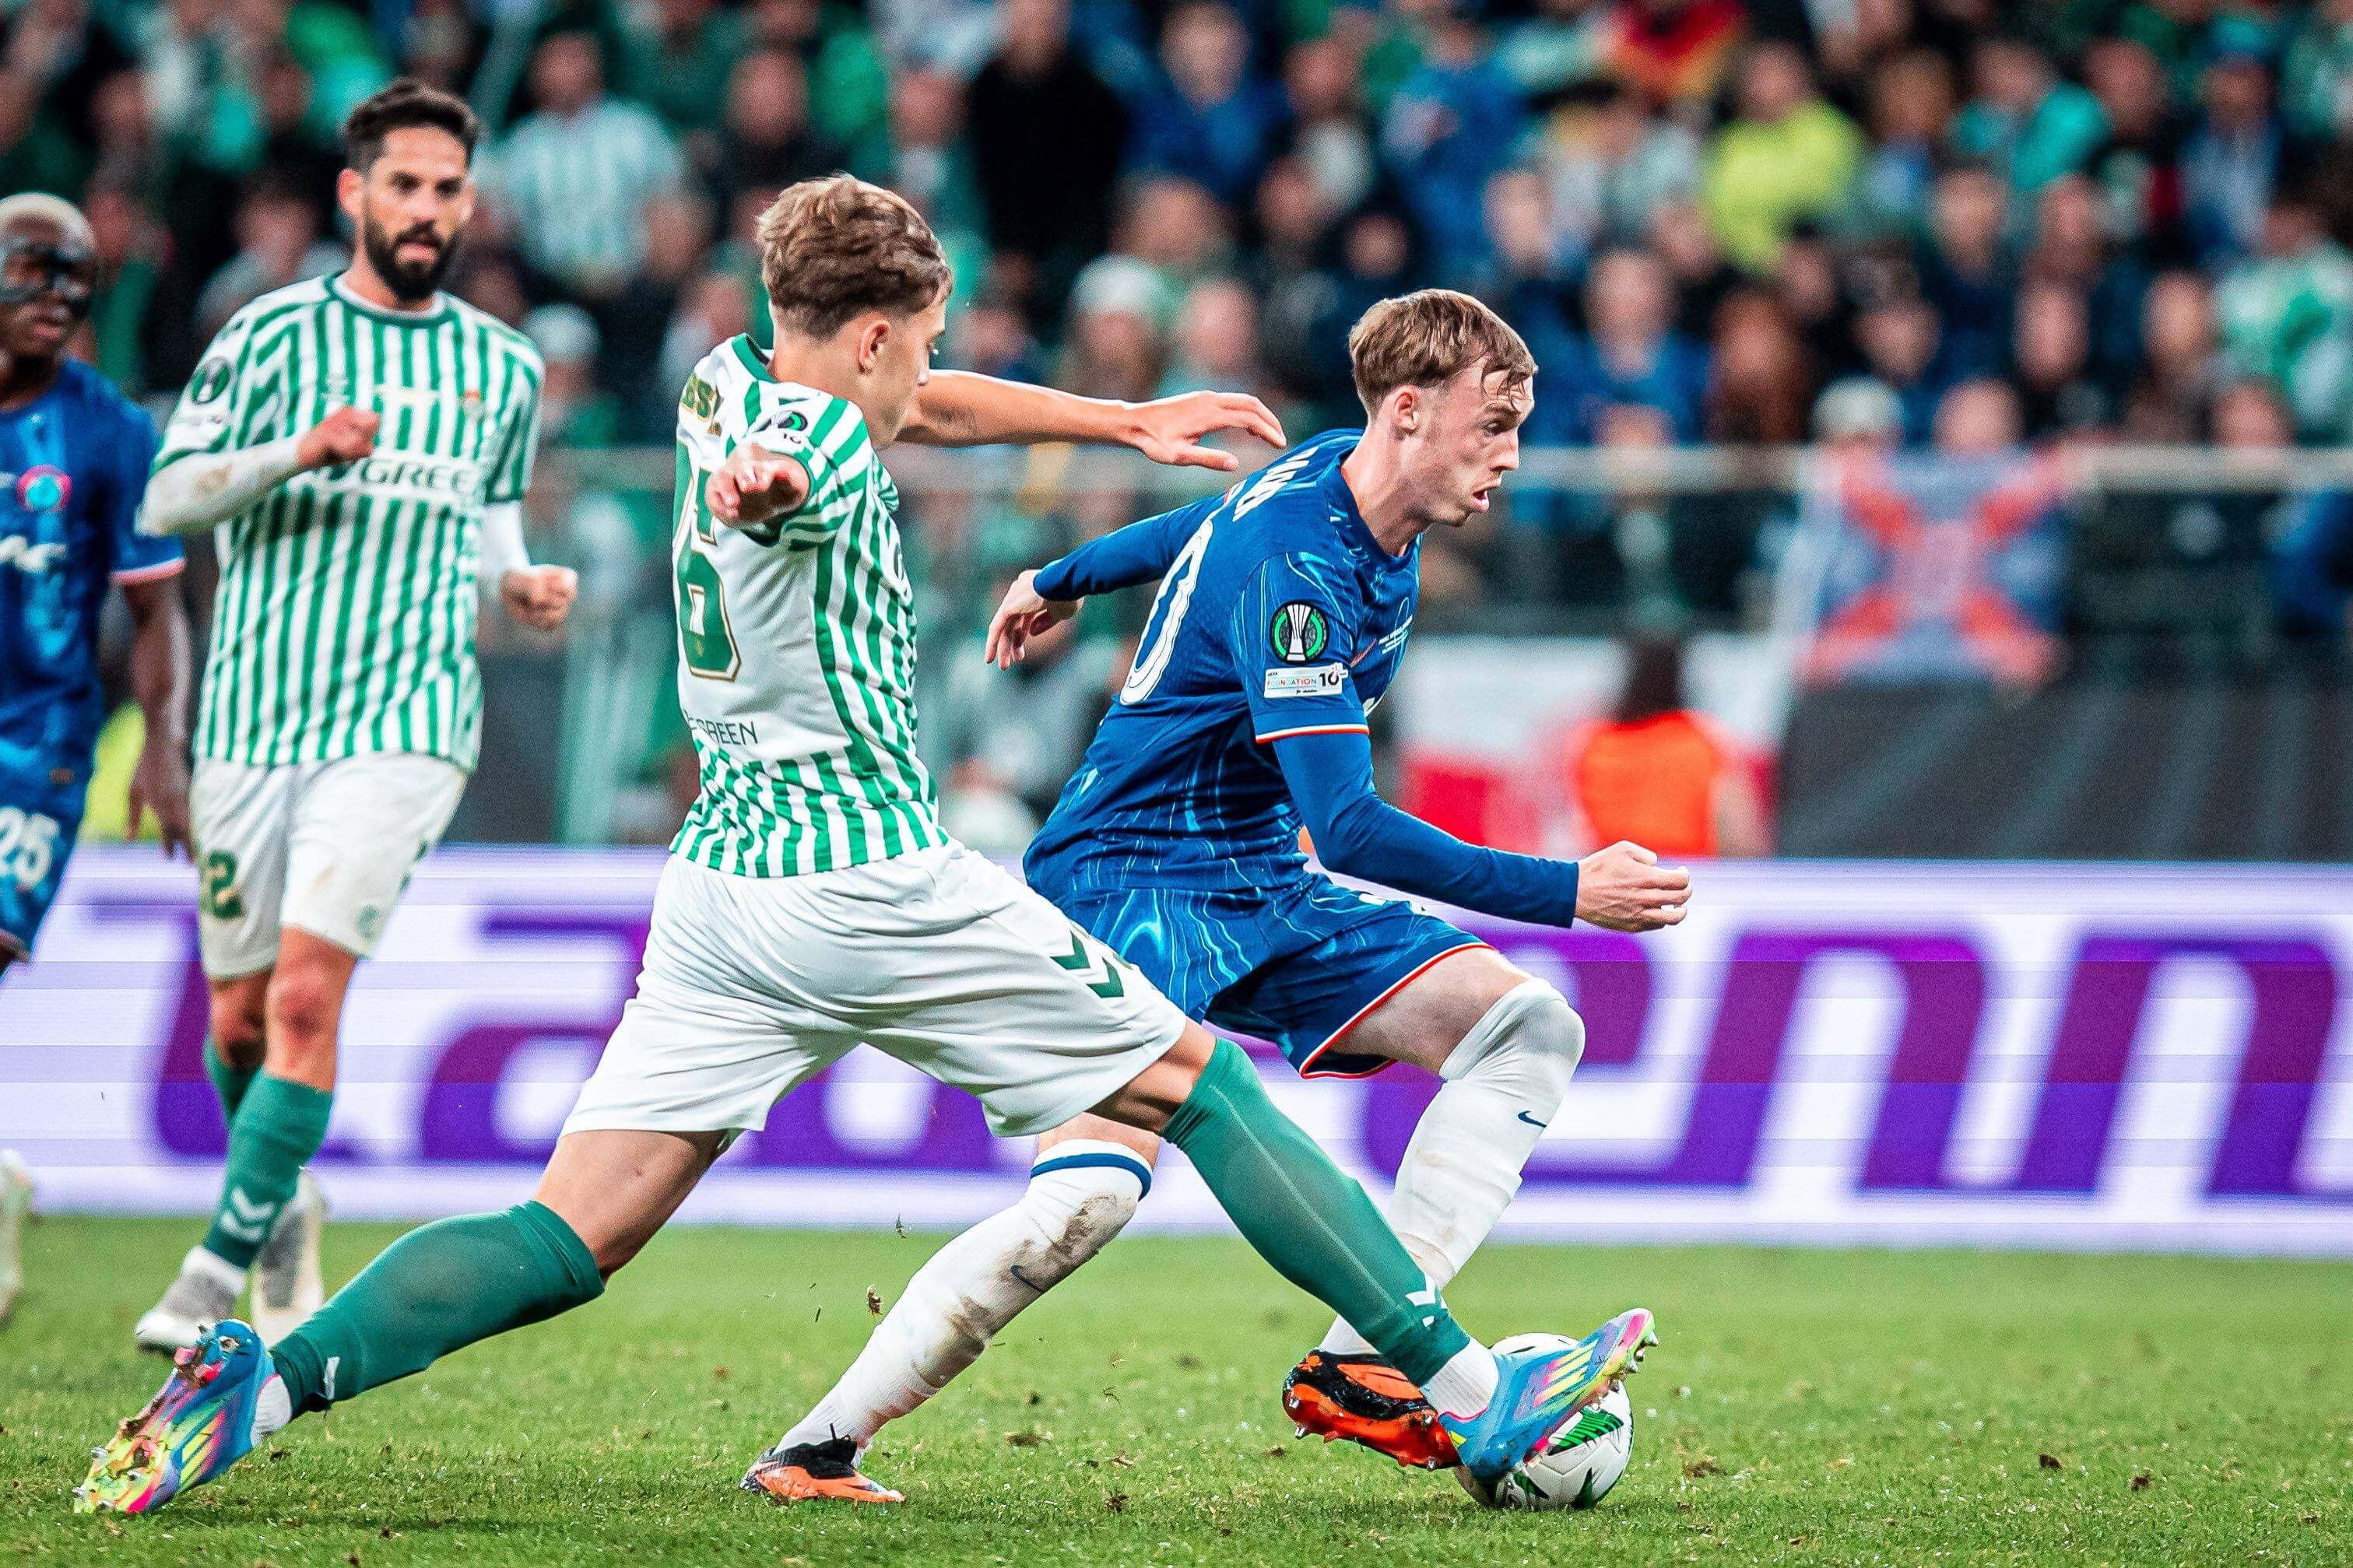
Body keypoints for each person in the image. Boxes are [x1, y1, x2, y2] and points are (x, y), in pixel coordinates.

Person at [78, 178, 1656, 1518]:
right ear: (884, 329)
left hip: (715, 891)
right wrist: (767, 494)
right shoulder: (812, 453)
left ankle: (262, 1384)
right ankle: (1463, 1386)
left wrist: (1118, 421)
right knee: (1202, 1079)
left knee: (573, 1231)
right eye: (927, 339)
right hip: (863, 870)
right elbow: (802, 473)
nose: (933, 373)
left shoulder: (720, 377)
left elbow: (903, 414)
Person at [764, 287, 1689, 1503]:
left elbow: (1195, 528)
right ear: (1407, 413)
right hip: (1129, 878)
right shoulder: (1302, 570)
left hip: (1252, 873)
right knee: (1086, 1197)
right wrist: (1564, 887)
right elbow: (1349, 822)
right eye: (1489, 425)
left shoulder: (1331, 477)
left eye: (1514, 427)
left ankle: (1367, 1364)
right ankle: (817, 1445)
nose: (1508, 454)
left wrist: (1061, 571)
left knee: (1525, 1028)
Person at [125, 80, 580, 1356]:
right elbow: (168, 500)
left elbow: (492, 513)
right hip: (255, 718)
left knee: (312, 998)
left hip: (408, 717)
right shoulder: (268, 337)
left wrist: (516, 576)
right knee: (241, 1022)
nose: (427, 209)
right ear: (355, 194)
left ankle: (214, 1276)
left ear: (467, 203)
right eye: (405, 186)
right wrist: (292, 455)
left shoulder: (503, 365)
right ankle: (280, 1200)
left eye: (446, 190)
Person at [0, 191, 191, 1328]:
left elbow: (157, 613)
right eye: (34, 270)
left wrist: (162, 745)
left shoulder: (112, 432)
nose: (60, 295)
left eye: (77, 277)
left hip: (38, 742)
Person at [1562, 632, 1768, 860]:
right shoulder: (1704, 739)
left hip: (1614, 880)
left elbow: (1576, 832)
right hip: (1692, 881)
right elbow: (1738, 836)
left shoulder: (1592, 743)